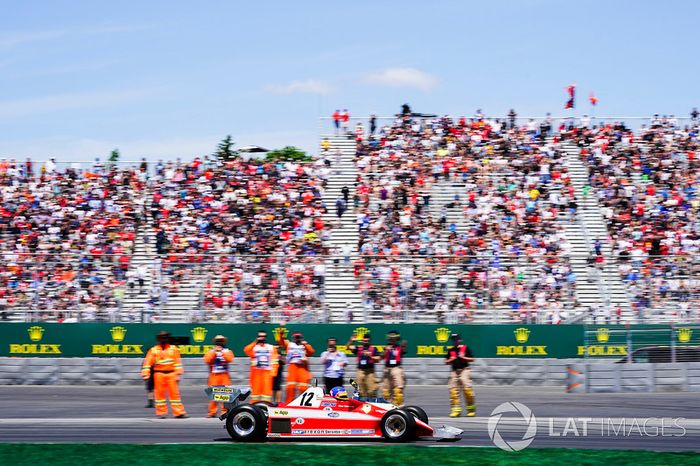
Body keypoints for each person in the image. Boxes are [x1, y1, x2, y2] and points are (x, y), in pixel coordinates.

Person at [141, 331, 188, 418]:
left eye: (165, 337)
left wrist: (178, 374)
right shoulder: (153, 350)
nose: (164, 339)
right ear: (159, 339)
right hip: (158, 374)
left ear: (168, 339)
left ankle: (179, 413)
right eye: (162, 338)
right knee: (159, 394)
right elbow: (147, 363)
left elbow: (177, 362)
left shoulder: (174, 349)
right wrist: (146, 374)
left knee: (175, 394)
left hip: (171, 374)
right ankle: (161, 413)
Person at [279, 324, 315, 403]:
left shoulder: (304, 345)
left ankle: (304, 404)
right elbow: (281, 342)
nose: (297, 338)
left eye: (298, 337)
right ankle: (289, 404)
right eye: (296, 337)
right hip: (292, 367)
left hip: (303, 367)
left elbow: (311, 352)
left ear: (301, 337)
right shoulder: (289, 344)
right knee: (291, 387)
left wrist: (305, 344)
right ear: (293, 337)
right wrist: (281, 330)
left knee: (304, 387)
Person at [244, 330, 279, 404]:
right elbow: (246, 350)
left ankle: (266, 408)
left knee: (266, 394)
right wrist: (255, 342)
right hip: (256, 373)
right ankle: (254, 408)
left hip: (267, 373)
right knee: (255, 393)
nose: (262, 338)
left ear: (266, 337)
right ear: (257, 337)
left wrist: (273, 373)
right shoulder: (254, 347)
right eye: (260, 336)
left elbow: (275, 361)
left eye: (263, 336)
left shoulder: (271, 347)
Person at [445, 333, 476, 417]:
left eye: (456, 339)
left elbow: (473, 359)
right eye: (453, 339)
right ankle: (456, 410)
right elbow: (445, 361)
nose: (455, 340)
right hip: (454, 371)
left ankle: (471, 409)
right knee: (453, 391)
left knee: (467, 390)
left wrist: (464, 358)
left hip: (464, 370)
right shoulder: (451, 350)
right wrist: (450, 360)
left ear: (459, 340)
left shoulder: (465, 348)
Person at [203, 334, 234, 418]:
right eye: (218, 341)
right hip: (214, 375)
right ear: (215, 343)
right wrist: (214, 353)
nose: (219, 343)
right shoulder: (211, 351)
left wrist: (222, 352)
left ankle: (224, 412)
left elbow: (230, 359)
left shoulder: (227, 351)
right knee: (213, 393)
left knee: (225, 394)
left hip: (224, 375)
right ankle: (212, 412)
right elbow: (206, 360)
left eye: (221, 341)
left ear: (224, 342)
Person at [346, 331, 380, 398]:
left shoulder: (373, 349)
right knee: (361, 390)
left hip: (370, 371)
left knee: (372, 390)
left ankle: (373, 403)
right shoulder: (358, 348)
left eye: (367, 339)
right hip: (360, 371)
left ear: (370, 340)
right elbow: (347, 347)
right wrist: (351, 340)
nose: (366, 340)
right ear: (363, 340)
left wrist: (370, 356)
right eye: (365, 339)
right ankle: (363, 403)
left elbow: (378, 359)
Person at [382, 330, 407, 405]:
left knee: (398, 391)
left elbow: (404, 350)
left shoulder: (399, 347)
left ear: (396, 339)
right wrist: (386, 350)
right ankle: (387, 409)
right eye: (390, 338)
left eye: (394, 338)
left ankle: (399, 407)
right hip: (387, 369)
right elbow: (381, 356)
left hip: (396, 369)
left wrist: (403, 346)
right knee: (386, 392)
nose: (392, 339)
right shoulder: (386, 347)